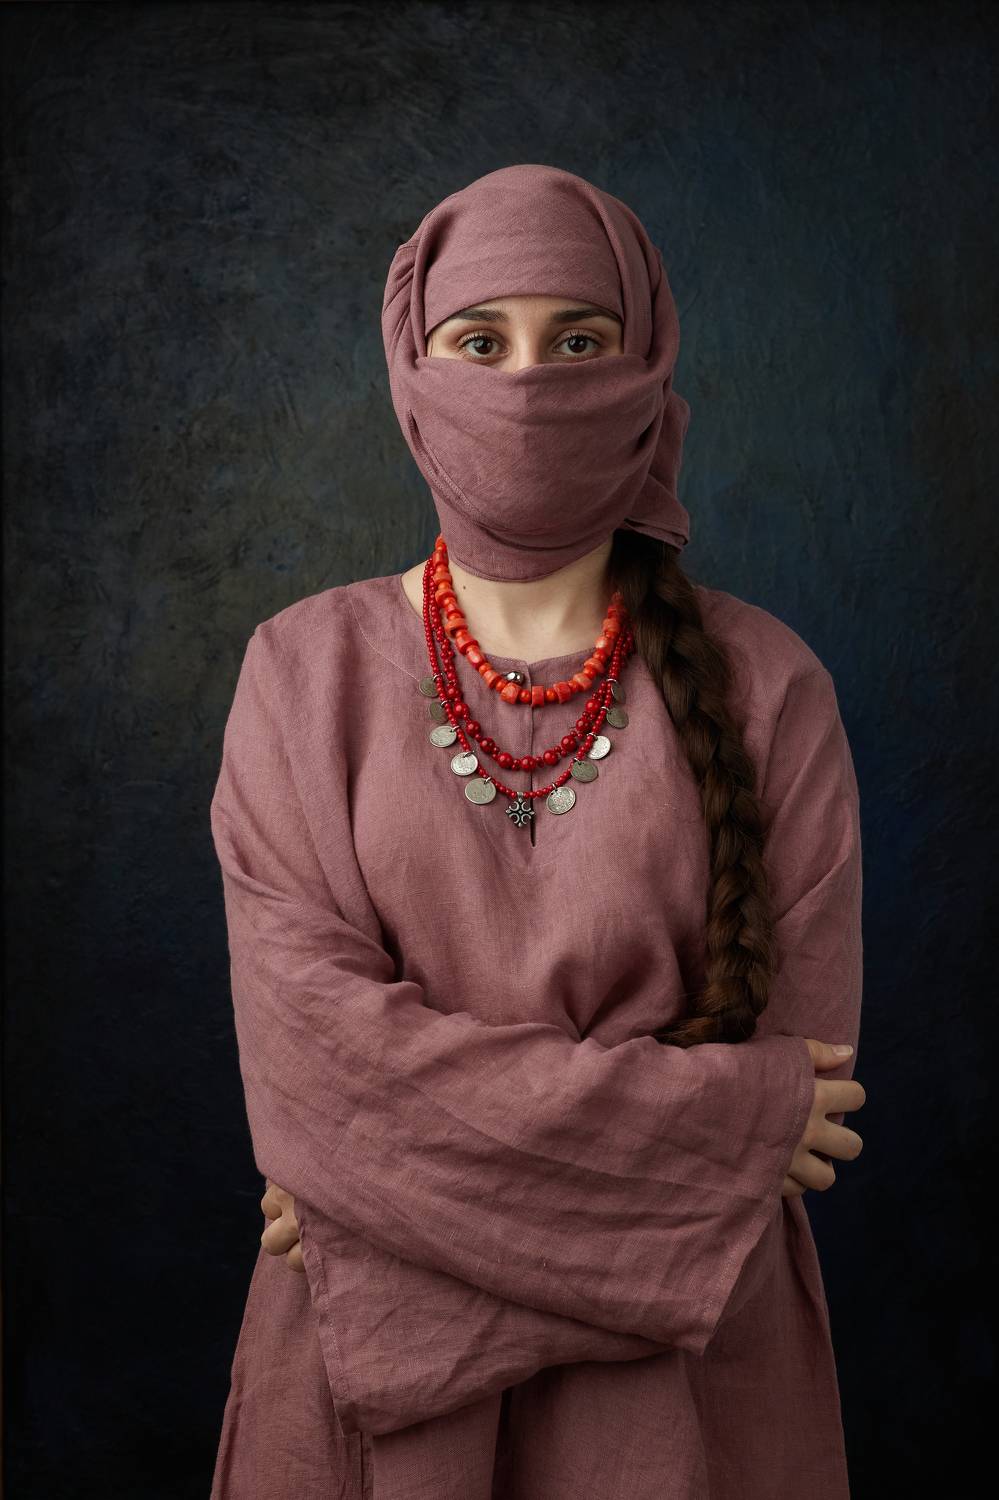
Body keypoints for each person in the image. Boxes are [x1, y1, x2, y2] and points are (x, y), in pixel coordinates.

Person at [208, 164, 866, 1499]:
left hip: (685, 1422)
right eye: (479, 341)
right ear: (413, 372)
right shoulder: (298, 675)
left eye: (577, 342)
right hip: (368, 1424)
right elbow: (310, 1085)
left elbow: (784, 1143)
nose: (524, 386)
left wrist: (377, 1204)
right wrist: (699, 1147)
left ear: (648, 364)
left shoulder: (771, 688)